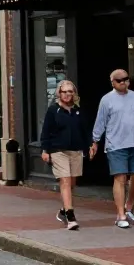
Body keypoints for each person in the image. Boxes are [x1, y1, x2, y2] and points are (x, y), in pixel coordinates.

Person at [90, 69, 134, 229]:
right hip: (116, 145)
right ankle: (120, 215)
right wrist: (95, 141)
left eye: (126, 79)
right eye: (119, 80)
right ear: (112, 82)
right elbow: (100, 122)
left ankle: (129, 206)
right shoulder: (107, 100)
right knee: (120, 178)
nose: (123, 82)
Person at [40, 80, 88, 231]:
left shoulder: (78, 110)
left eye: (70, 91)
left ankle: (63, 211)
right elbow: (46, 131)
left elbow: (84, 130)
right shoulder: (53, 110)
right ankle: (70, 216)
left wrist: (90, 145)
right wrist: (45, 150)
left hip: (75, 150)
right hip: (58, 150)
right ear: (59, 94)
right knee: (65, 181)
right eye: (64, 92)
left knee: (72, 183)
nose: (67, 94)